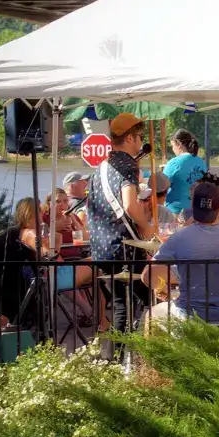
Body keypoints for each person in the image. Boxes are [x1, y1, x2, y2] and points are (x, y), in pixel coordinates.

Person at [143, 182, 219, 327]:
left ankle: (163, 350)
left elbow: (147, 277)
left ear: (193, 206)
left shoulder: (180, 237)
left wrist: (161, 286)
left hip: (192, 316)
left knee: (151, 314)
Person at [86, 113, 156, 333]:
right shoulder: (127, 165)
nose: (140, 141)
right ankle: (133, 357)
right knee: (145, 302)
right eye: (138, 137)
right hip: (124, 248)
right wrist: (147, 227)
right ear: (129, 139)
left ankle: (118, 357)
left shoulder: (101, 167)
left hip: (101, 248)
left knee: (120, 303)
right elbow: (129, 205)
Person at [15, 197, 96, 327]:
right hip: (58, 276)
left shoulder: (27, 232)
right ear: (32, 213)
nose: (42, 213)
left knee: (98, 262)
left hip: (54, 274)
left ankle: (91, 313)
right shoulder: (31, 234)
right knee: (102, 263)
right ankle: (102, 319)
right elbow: (48, 255)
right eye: (40, 211)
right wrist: (57, 243)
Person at [163, 129, 208, 214]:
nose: (173, 149)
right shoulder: (201, 162)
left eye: (173, 146)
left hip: (176, 212)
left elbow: (161, 186)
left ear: (179, 144)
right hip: (197, 212)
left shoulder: (174, 163)